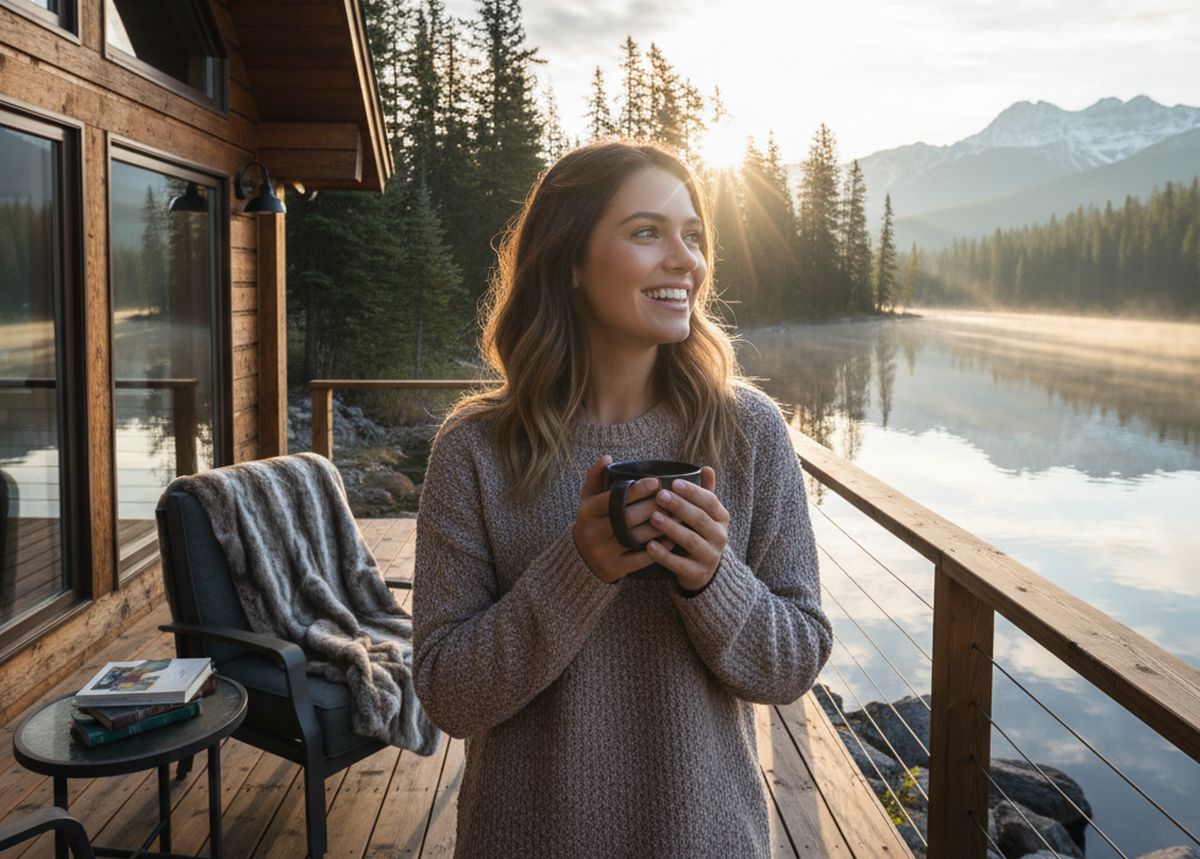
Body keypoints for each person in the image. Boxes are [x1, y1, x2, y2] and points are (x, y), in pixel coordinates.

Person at [412, 140, 832, 858]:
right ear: (570, 260)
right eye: (648, 232)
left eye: (693, 236)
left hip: (707, 841)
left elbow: (794, 662)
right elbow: (447, 694)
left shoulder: (750, 432)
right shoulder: (474, 449)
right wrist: (580, 567)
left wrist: (713, 579)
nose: (685, 260)